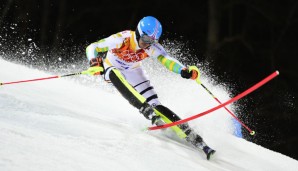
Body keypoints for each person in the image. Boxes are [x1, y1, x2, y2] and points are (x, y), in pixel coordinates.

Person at [85, 16, 215, 160]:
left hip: (134, 71)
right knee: (112, 72)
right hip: (113, 67)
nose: (147, 45)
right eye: (146, 40)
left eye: (152, 42)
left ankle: (194, 137)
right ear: (139, 33)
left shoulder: (151, 46)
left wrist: (184, 70)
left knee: (156, 105)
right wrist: (94, 63)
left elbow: (166, 59)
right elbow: (93, 47)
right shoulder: (123, 38)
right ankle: (143, 108)